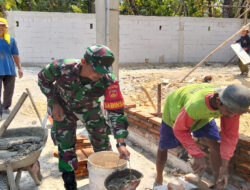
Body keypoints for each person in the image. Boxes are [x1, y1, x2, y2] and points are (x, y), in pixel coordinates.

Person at [38, 45, 130, 190]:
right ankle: (70, 184)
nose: (99, 75)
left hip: (89, 107)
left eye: (103, 72)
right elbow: (43, 80)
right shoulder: (61, 67)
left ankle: (106, 182)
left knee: (103, 144)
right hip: (62, 107)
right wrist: (53, 102)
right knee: (65, 145)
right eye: (95, 70)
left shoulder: (109, 80)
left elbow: (116, 111)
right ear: (83, 62)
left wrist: (121, 142)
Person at [154, 83, 250, 190]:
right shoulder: (196, 106)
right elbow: (180, 129)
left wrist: (224, 167)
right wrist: (197, 154)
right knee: (163, 146)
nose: (231, 116)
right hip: (176, 106)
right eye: (228, 112)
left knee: (214, 144)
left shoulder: (231, 104)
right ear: (218, 101)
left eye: (235, 114)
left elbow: (230, 136)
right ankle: (158, 179)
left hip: (203, 112)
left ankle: (218, 184)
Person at [0, 18, 23, 119]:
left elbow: (15, 54)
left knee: (9, 91)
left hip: (9, 69)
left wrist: (19, 68)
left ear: (6, 28)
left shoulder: (11, 40)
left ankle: (5, 108)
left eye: (3, 26)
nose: (1, 28)